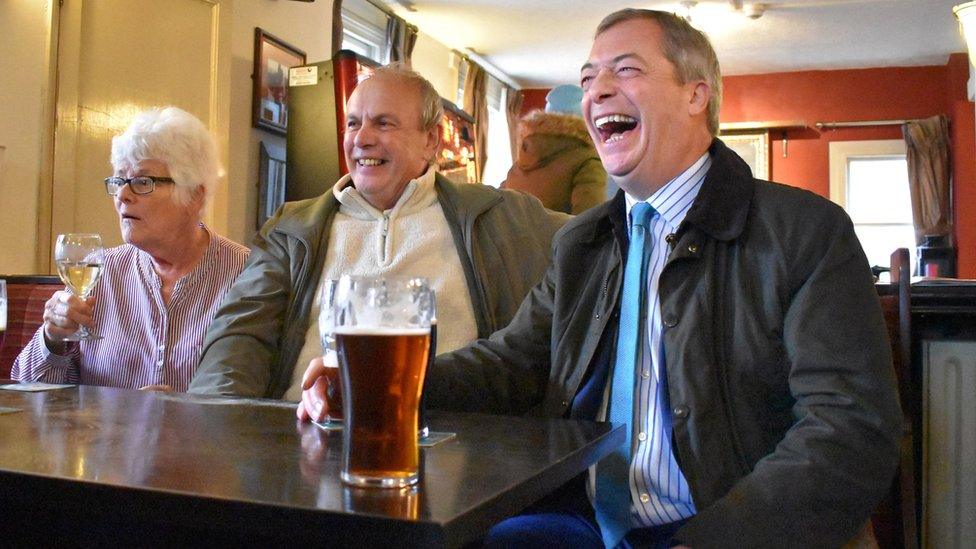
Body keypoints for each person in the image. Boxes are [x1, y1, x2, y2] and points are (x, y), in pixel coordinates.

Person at [298, 8, 902, 548]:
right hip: (580, 520)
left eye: (625, 70)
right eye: (588, 79)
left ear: (697, 94)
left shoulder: (805, 232)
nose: (596, 90)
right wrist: (374, 385)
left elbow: (850, 428)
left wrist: (716, 540)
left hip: (723, 526)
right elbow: (510, 365)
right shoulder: (581, 244)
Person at [188, 64, 567, 401]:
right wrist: (221, 425)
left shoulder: (499, 215)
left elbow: (596, 238)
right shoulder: (291, 228)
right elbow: (239, 337)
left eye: (383, 123)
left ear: (431, 140)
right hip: (308, 434)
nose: (362, 138)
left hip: (454, 438)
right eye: (353, 123)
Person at [13, 107, 249, 392]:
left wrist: (189, 412)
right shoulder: (99, 272)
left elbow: (264, 398)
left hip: (201, 437)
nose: (123, 195)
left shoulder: (246, 275)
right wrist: (53, 337)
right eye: (119, 181)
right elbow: (25, 393)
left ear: (194, 195)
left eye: (142, 181)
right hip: (103, 436)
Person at [501, 107, 607, 214]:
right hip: (557, 230)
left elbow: (497, 204)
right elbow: (588, 219)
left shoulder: (518, 166)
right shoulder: (587, 160)